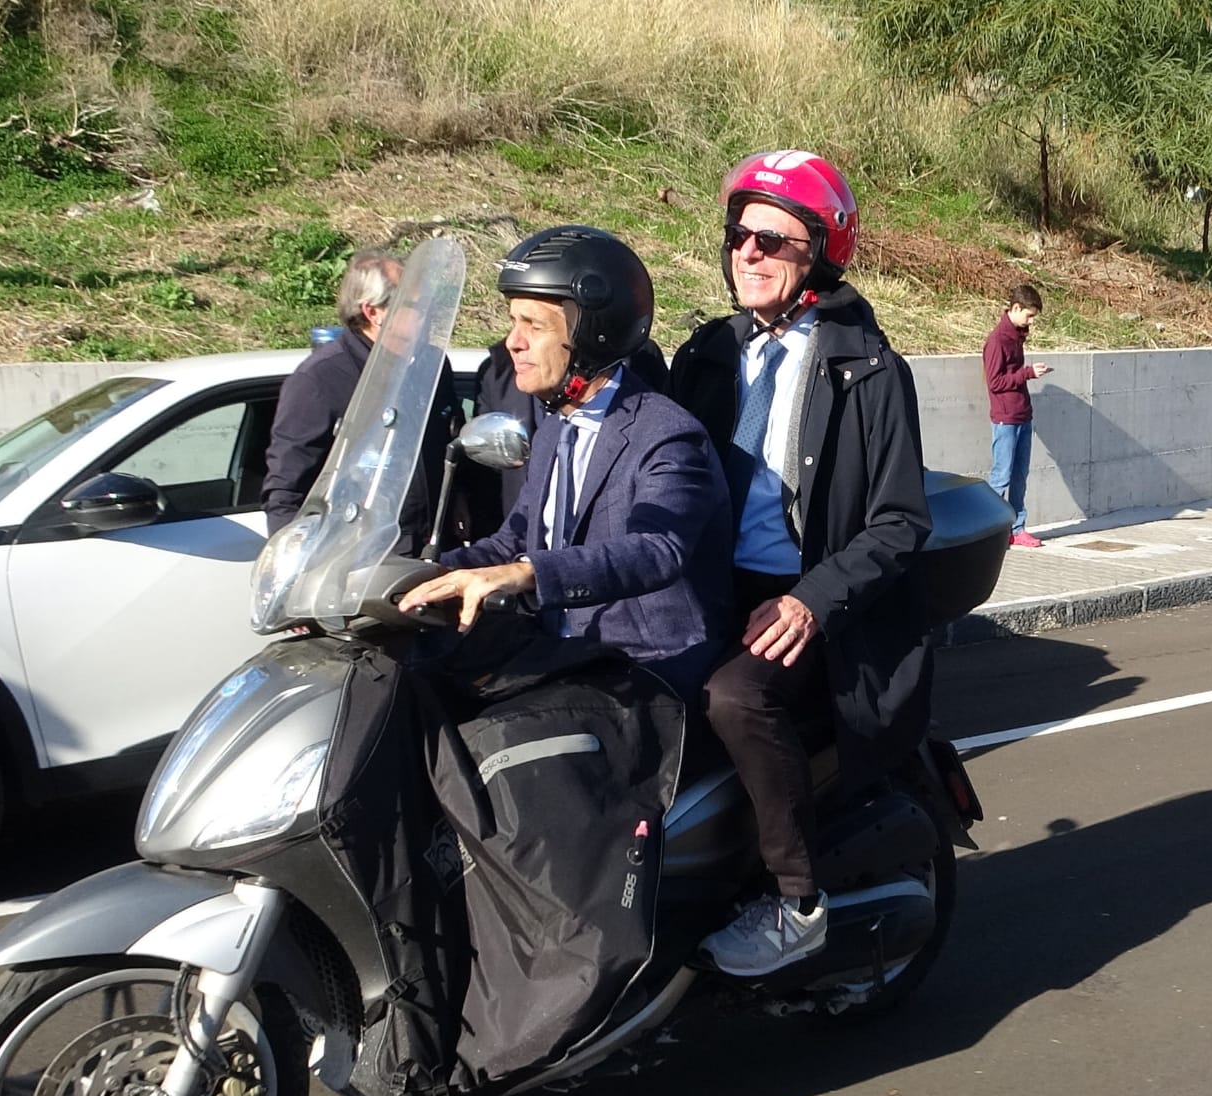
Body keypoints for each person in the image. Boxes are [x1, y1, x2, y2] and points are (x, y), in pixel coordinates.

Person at [668, 149, 933, 977]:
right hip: (715, 588)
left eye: (774, 242)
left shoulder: (870, 369)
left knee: (735, 697)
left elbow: (899, 522)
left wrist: (812, 601)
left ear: (820, 255)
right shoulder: (707, 354)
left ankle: (796, 901)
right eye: (740, 235)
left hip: (810, 598)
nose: (748, 253)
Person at [397, 226, 732, 702]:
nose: (513, 342)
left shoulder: (667, 433)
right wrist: (408, 576)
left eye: (533, 325)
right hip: (562, 653)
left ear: (593, 334)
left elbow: (658, 548)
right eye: (513, 322)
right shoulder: (557, 424)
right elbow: (514, 539)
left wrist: (528, 572)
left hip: (647, 667)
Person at [261, 250, 475, 552]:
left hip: (433, 555)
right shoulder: (320, 380)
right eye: (417, 306)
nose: (428, 316)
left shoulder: (433, 366)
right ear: (374, 312)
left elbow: (453, 450)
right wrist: (298, 572)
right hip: (355, 567)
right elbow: (286, 492)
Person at [983, 283, 1052, 547]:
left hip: (1022, 415)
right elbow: (995, 382)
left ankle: (1017, 528)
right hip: (1005, 418)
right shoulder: (997, 341)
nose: (1031, 321)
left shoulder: (1015, 337)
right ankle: (991, 530)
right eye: (1029, 315)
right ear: (1015, 308)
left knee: (1019, 476)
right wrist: (1028, 373)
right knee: (1001, 476)